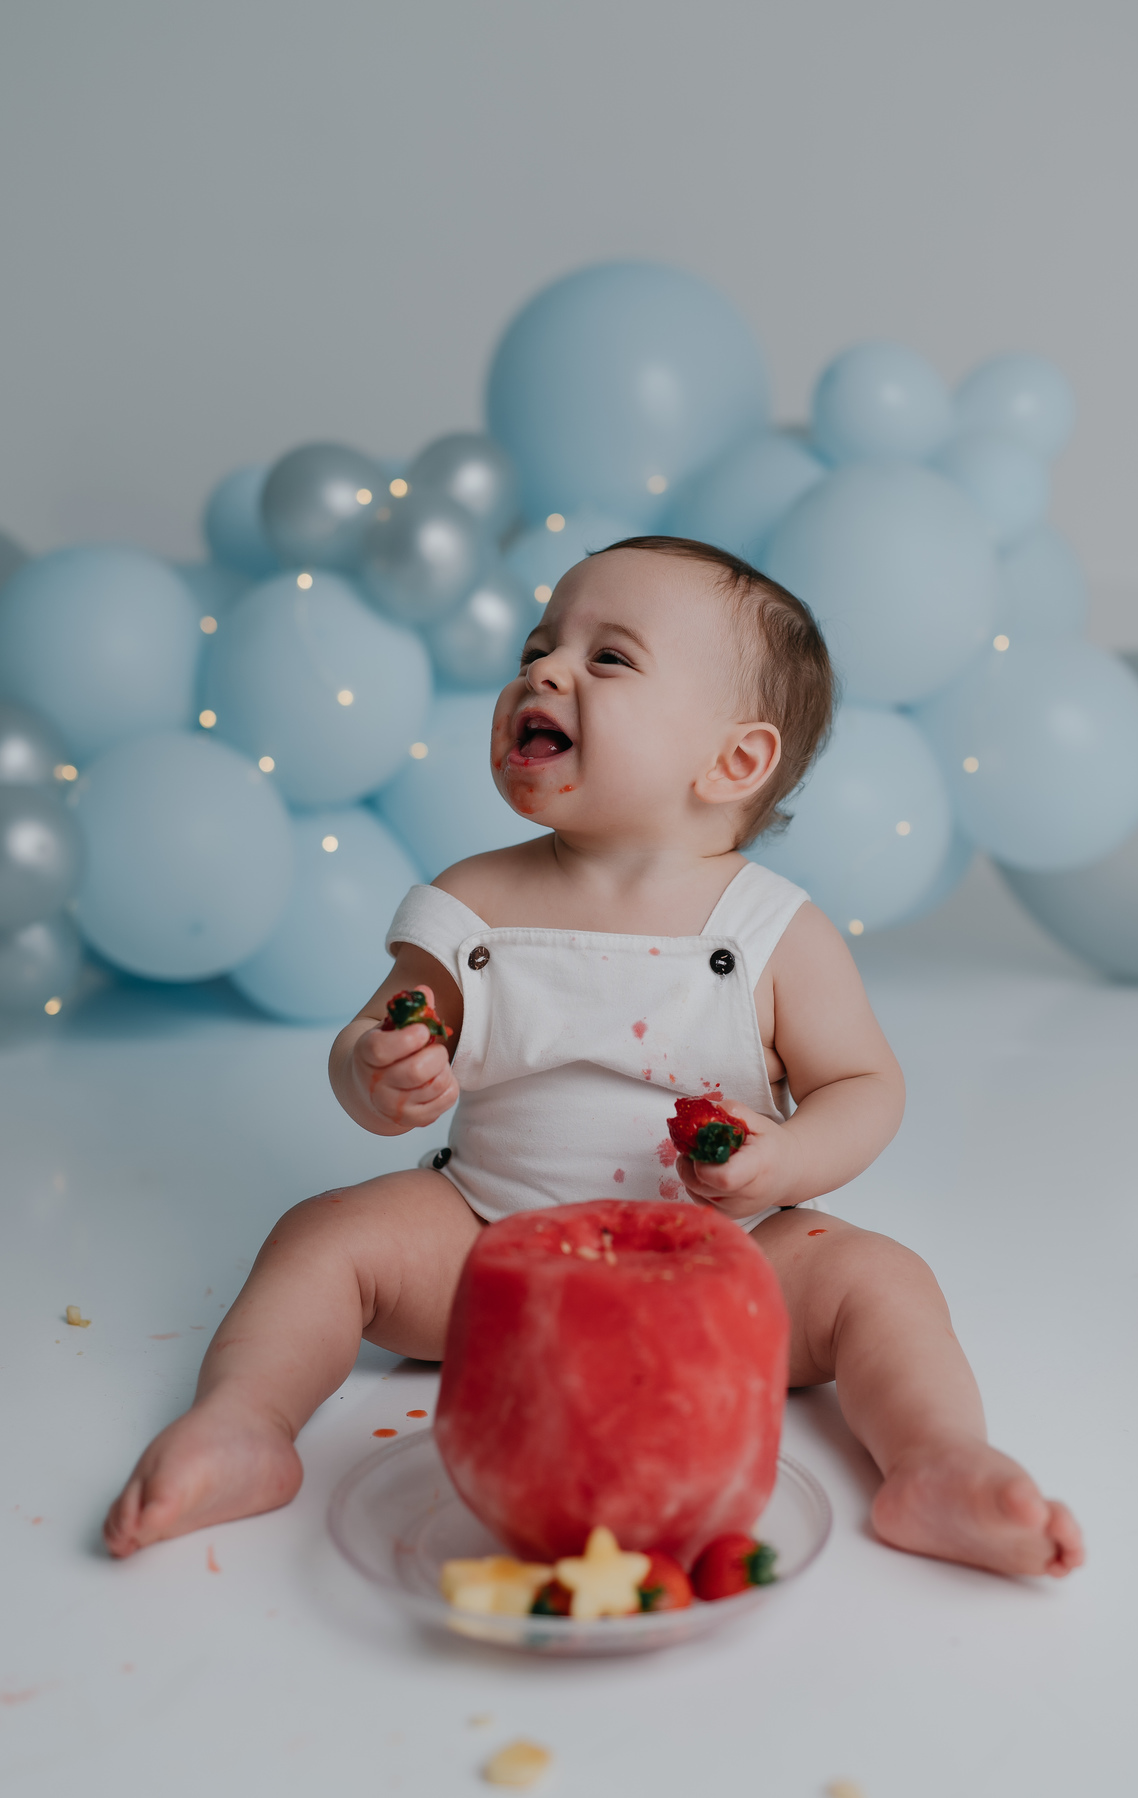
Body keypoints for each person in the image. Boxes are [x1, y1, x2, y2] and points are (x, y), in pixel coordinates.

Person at [104, 537, 1083, 1579]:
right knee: (324, 1236)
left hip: (725, 1259)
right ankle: (245, 1422)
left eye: (607, 657)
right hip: (487, 1244)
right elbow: (374, 1030)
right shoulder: (471, 899)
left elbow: (865, 1087)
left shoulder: (773, 930)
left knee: (881, 1281)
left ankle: (938, 1462)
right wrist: (378, 1071)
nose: (545, 670)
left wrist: (782, 1162)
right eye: (540, 646)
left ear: (734, 762)